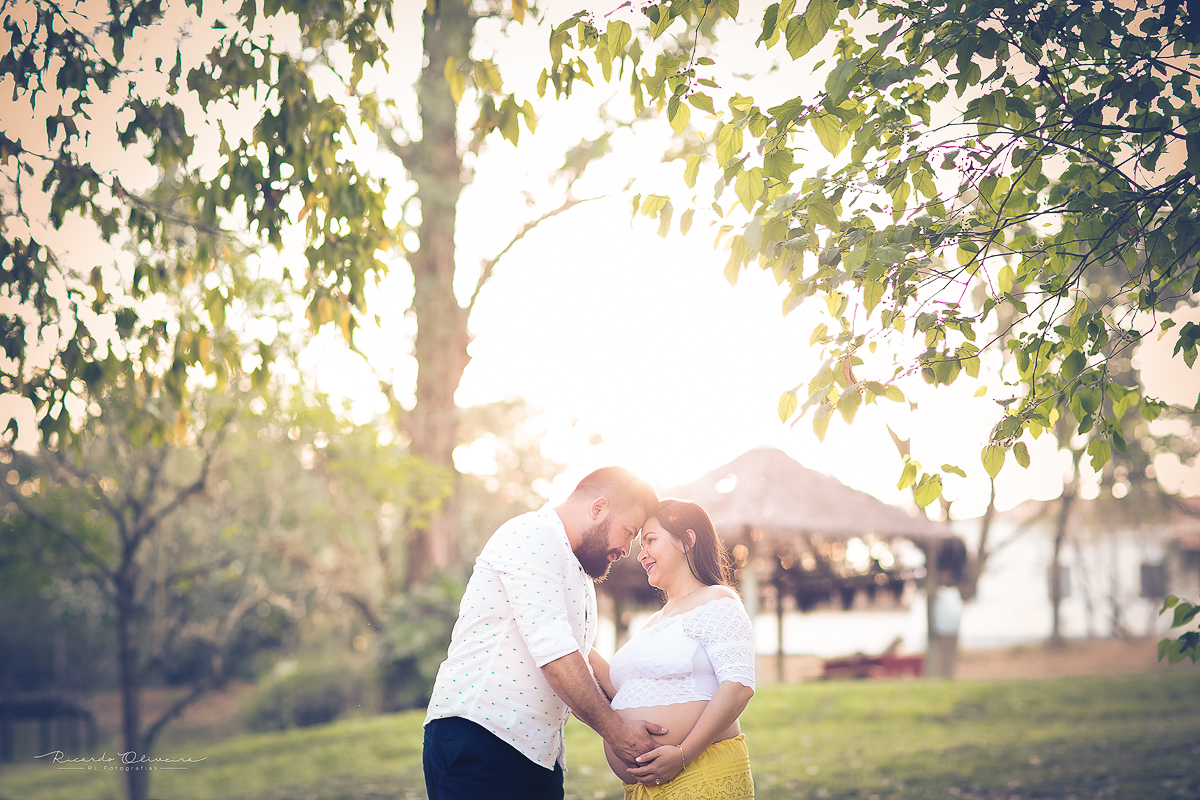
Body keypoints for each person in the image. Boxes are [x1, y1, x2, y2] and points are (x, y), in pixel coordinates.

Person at [423, 467, 666, 800]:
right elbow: (556, 654)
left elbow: (580, 653)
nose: (627, 549)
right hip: (481, 739)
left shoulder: (575, 567)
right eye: (628, 531)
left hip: (536, 755)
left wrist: (649, 705)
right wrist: (620, 734)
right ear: (598, 509)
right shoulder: (533, 537)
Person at [589, 499, 756, 799]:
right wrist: (573, 643)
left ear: (687, 540)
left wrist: (682, 754)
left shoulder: (717, 599)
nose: (642, 555)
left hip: (700, 773)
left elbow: (739, 686)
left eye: (651, 540)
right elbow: (622, 690)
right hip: (644, 788)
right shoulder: (655, 621)